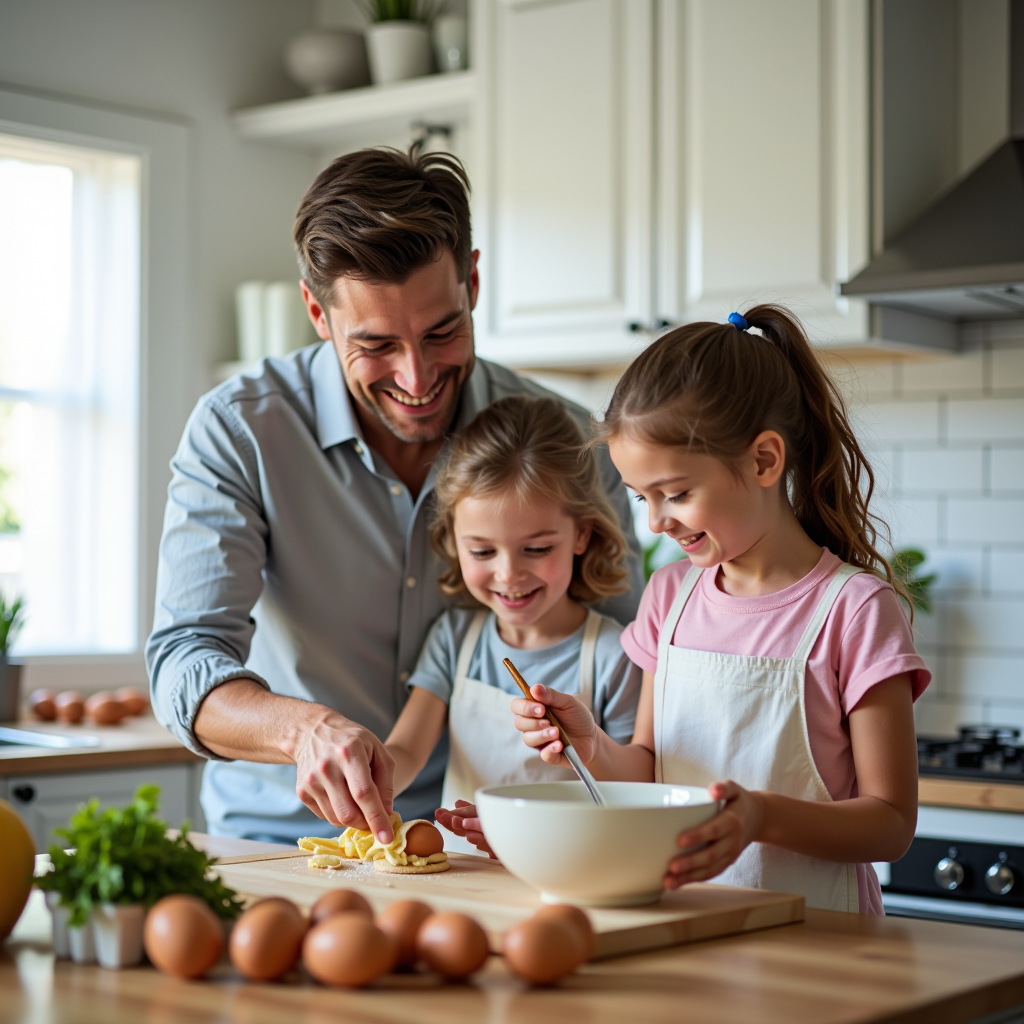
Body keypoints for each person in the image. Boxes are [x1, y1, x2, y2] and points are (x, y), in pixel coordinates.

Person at [145, 146, 643, 846]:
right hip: (275, 842)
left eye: (442, 331)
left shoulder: (564, 442)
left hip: (487, 849)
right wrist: (303, 729)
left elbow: (632, 655)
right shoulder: (240, 431)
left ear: (472, 280)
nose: (417, 377)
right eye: (376, 344)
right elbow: (184, 663)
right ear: (318, 312)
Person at [511, 304, 931, 913]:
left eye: (677, 493)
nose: (656, 522)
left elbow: (891, 824)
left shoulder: (855, 610)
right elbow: (651, 772)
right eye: (641, 497)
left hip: (817, 943)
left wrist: (759, 816)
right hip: (685, 928)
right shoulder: (669, 598)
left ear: (764, 460)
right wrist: (592, 745)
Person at [382, 395, 642, 853]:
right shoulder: (454, 638)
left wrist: (531, 829)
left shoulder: (615, 654)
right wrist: (370, 773)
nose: (509, 574)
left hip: (572, 871)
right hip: (462, 877)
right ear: (453, 541)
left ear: (582, 534)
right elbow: (405, 752)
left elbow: (635, 790)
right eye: (482, 552)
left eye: (537, 549)